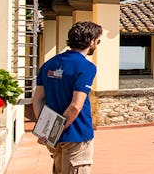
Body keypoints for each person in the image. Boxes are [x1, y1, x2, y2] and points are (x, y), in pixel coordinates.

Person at [32, 21, 102, 174]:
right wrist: (54, 131)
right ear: (91, 41)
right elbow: (76, 106)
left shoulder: (49, 64)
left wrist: (45, 130)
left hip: (55, 139)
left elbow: (37, 99)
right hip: (76, 135)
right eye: (98, 41)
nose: (97, 44)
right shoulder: (86, 67)